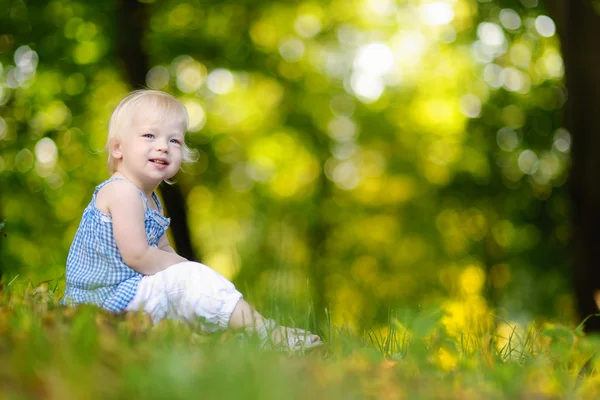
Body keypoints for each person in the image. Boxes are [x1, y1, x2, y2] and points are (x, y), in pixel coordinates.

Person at [61, 89, 323, 352]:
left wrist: (185, 270)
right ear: (118, 147)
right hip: (103, 301)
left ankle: (249, 339)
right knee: (190, 282)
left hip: (130, 294)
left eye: (174, 140)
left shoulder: (151, 200)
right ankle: (268, 335)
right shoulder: (122, 192)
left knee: (195, 296)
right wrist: (188, 271)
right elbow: (138, 256)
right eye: (150, 135)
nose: (163, 146)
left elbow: (162, 249)